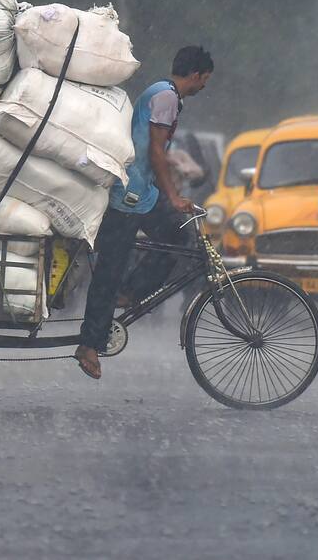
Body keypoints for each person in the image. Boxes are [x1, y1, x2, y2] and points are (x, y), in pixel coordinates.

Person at [74, 46, 214, 379]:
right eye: (205, 80)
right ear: (196, 75)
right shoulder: (166, 98)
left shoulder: (164, 94)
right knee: (110, 269)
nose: (204, 87)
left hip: (143, 194)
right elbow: (154, 151)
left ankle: (131, 291)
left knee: (180, 237)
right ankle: (89, 344)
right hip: (130, 196)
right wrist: (175, 196)